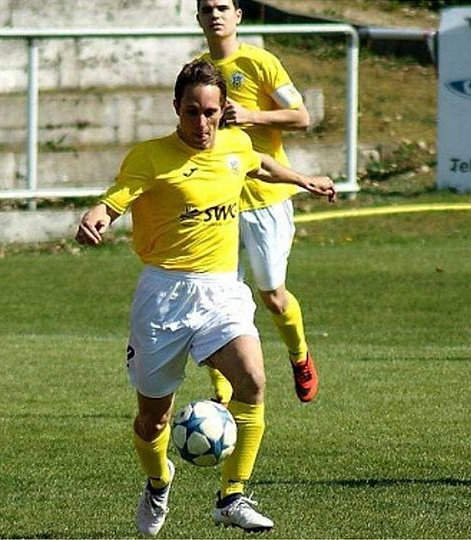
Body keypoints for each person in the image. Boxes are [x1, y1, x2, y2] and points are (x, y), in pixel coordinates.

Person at [75, 60, 334, 536]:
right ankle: (158, 481)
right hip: (163, 295)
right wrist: (97, 216)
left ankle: (232, 496)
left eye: (210, 112)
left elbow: (260, 163)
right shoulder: (150, 156)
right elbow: (118, 198)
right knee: (153, 420)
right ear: (176, 107)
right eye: (191, 112)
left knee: (252, 380)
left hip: (221, 290)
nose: (202, 123)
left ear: (223, 109)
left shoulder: (235, 143)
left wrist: (302, 179)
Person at [196, 0, 321, 405]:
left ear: (238, 16)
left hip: (267, 199)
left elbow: (301, 117)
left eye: (223, 7)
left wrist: (252, 116)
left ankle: (299, 355)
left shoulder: (260, 63)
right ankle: (221, 390)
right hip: (219, 202)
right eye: (207, 9)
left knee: (272, 295)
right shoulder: (198, 72)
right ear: (199, 19)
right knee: (215, 298)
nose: (215, 14)